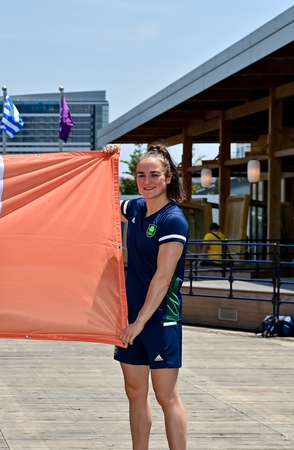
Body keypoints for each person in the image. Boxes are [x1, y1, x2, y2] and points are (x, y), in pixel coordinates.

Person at [104, 142, 188, 449]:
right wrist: (107, 160)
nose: (146, 181)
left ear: (167, 177)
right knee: (134, 391)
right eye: (140, 175)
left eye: (153, 174)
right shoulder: (136, 209)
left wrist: (140, 322)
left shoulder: (173, 220)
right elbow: (101, 198)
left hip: (159, 319)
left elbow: (163, 277)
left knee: (165, 396)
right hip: (131, 318)